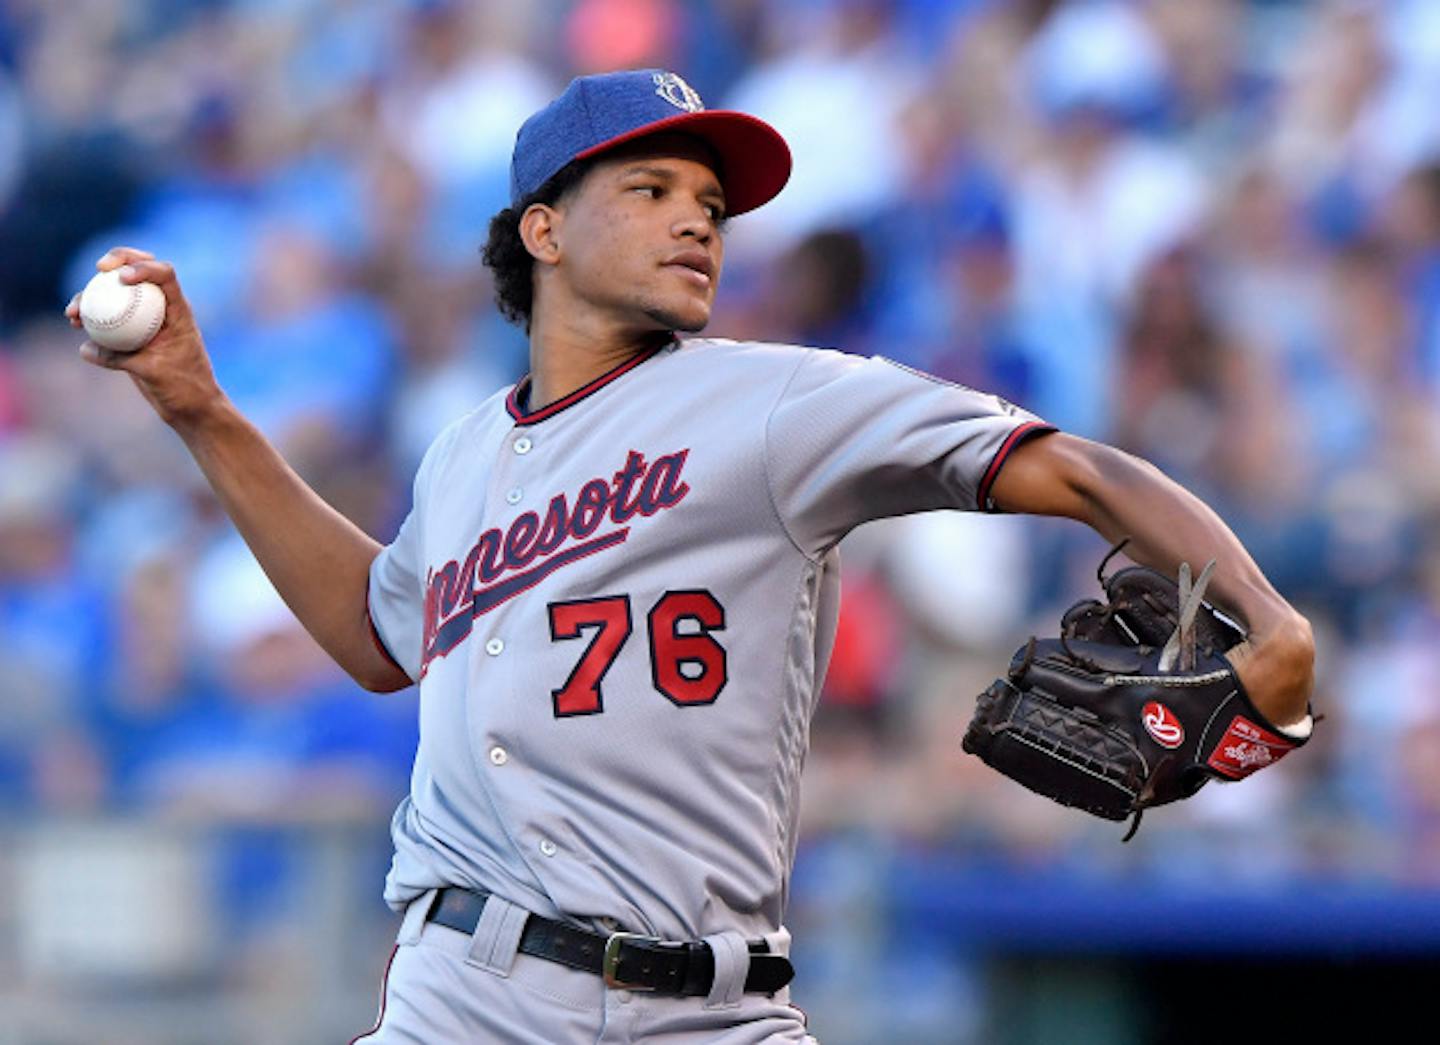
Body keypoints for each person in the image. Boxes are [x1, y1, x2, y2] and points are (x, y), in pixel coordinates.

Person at [67, 69, 1315, 1044]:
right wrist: (203, 413)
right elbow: (376, 633)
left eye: (710, 206)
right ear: (543, 231)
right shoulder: (460, 454)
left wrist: (1269, 620)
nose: (697, 224)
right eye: (652, 192)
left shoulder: (780, 405)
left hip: (718, 1002)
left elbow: (1082, 470)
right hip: (472, 986)